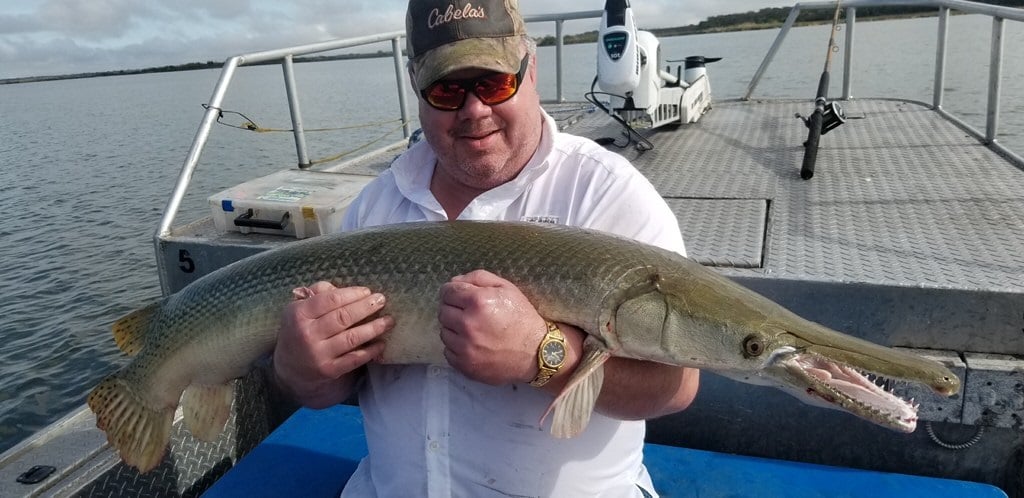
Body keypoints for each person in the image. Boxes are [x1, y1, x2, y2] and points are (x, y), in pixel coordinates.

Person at [271, 1, 700, 496]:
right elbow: (333, 387)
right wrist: (300, 369)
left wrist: (543, 355)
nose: (474, 111)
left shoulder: (606, 196)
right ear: (416, 85)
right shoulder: (375, 206)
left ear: (530, 68)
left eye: (494, 84)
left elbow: (676, 386)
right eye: (447, 90)